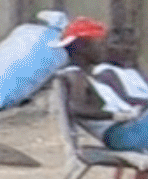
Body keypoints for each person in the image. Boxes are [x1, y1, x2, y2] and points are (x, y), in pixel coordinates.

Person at [57, 20, 147, 153]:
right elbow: (77, 109)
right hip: (120, 134)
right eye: (100, 44)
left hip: (126, 131)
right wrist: (117, 116)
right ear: (82, 47)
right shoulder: (75, 76)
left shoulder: (84, 74)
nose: (106, 49)